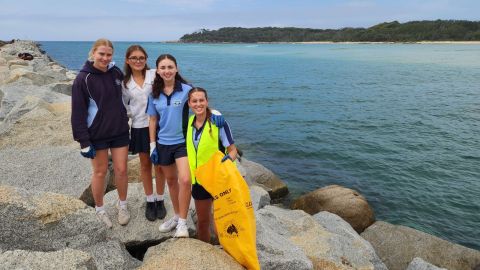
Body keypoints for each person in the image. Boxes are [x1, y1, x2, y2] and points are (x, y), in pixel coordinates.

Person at [146, 54, 224, 238]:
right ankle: (178, 216)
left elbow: (199, 104)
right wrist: (152, 146)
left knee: (185, 181)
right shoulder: (154, 94)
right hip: (162, 143)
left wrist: (217, 113)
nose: (167, 71)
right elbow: (152, 120)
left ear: (176, 69)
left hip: (182, 142)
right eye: (163, 67)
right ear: (157, 71)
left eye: (170, 67)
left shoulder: (186, 90)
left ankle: (182, 223)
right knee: (171, 182)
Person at [71, 38, 130, 228]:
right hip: (97, 134)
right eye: (101, 54)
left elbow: (127, 94)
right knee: (100, 172)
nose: (105, 58)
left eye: (108, 54)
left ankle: (122, 205)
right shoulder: (83, 78)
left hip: (119, 130)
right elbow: (78, 113)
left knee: (121, 170)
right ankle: (100, 209)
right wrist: (84, 141)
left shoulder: (116, 72)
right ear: (93, 53)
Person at [186, 87, 238, 243]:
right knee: (202, 223)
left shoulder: (218, 123)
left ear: (207, 101)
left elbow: (233, 150)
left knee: (225, 220)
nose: (198, 104)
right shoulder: (189, 123)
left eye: (201, 100)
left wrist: (227, 161)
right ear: (189, 103)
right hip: (199, 181)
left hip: (219, 180)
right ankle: (206, 253)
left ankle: (229, 249)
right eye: (194, 101)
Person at [122, 45, 166, 221]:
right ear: (128, 60)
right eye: (134, 58)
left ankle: (160, 199)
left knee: (160, 165)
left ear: (146, 59)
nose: (138, 61)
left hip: (160, 126)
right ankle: (150, 200)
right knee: (145, 165)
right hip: (139, 127)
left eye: (141, 57)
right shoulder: (125, 83)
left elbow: (175, 86)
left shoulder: (155, 74)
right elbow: (124, 106)